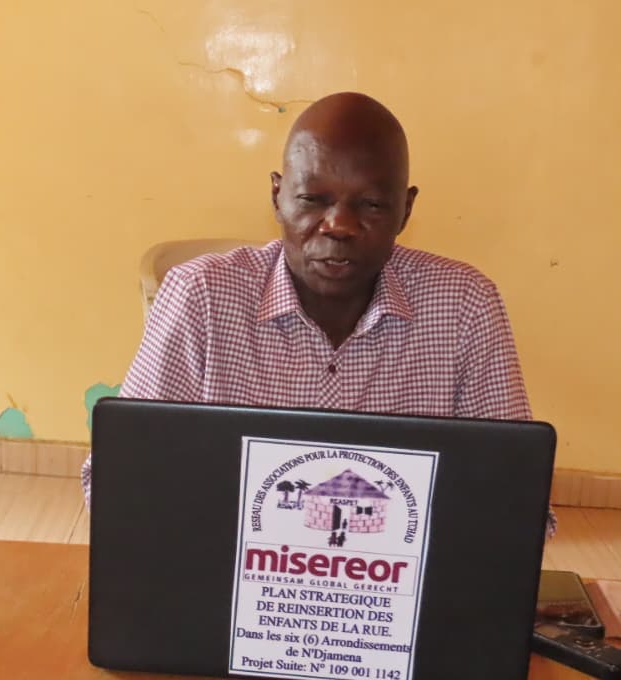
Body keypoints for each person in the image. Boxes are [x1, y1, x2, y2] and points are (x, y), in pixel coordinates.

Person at [83, 92, 546, 526]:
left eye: (371, 204)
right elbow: (118, 481)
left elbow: (514, 504)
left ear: (405, 211)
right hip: (228, 567)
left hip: (397, 578)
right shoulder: (200, 295)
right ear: (277, 197)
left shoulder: (464, 306)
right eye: (311, 200)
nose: (339, 225)